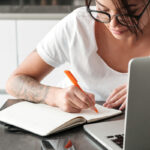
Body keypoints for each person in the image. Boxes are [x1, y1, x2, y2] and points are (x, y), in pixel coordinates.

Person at [6, 0, 150, 113]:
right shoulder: (78, 25)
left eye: (128, 12)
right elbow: (14, 82)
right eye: (103, 10)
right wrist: (54, 96)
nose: (114, 24)